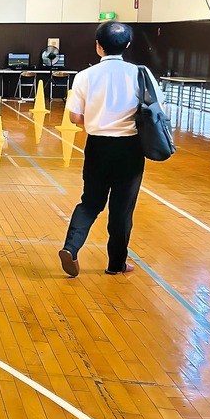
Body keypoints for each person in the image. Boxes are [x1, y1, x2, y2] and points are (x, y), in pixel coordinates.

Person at [58, 21, 160, 278]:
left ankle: (71, 248)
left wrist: (96, 118)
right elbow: (157, 111)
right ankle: (116, 264)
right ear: (127, 45)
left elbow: (74, 117)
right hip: (130, 147)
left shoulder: (84, 76)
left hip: (97, 145)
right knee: (122, 208)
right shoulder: (142, 74)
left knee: (90, 202)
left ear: (98, 46)